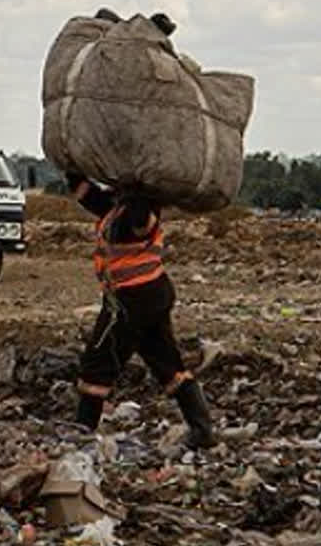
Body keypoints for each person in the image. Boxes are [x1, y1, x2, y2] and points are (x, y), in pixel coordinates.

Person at [65, 171, 214, 450]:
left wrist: (136, 184)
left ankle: (82, 432)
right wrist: (73, 173)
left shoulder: (142, 210)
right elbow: (91, 198)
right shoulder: (117, 208)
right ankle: (202, 430)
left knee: (98, 362)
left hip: (132, 301)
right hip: (149, 296)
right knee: (168, 364)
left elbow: (138, 222)